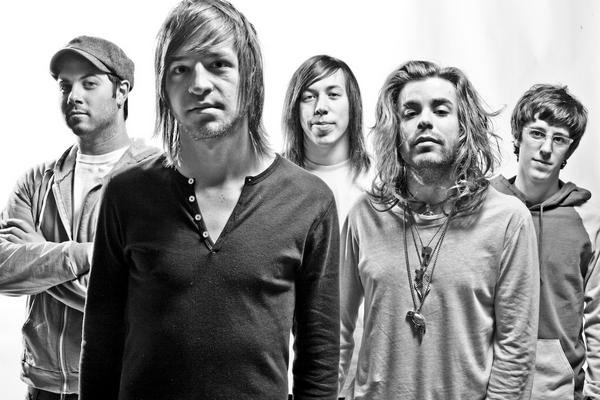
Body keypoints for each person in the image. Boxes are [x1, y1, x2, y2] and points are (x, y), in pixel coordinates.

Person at [78, 1, 340, 400]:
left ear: (250, 76)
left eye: (218, 64)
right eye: (180, 69)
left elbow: (319, 362)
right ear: (164, 89)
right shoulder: (125, 194)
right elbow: (100, 347)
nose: (198, 84)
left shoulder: (309, 201)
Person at [338, 60, 539, 399]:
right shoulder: (364, 215)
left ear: (464, 127)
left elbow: (515, 350)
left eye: (441, 110)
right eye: (410, 112)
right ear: (395, 130)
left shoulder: (507, 220)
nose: (425, 120)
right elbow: (334, 330)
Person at [0, 35, 158, 400]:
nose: (73, 96)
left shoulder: (158, 177)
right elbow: (4, 270)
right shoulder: (36, 181)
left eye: (89, 83)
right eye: (65, 86)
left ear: (121, 92)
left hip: (122, 383)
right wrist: (89, 255)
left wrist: (40, 259)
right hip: (43, 386)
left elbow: (147, 303)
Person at [492, 84, 600, 400]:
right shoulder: (484, 207)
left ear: (569, 150)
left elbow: (598, 316)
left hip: (558, 390)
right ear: (518, 137)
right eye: (537, 133)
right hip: (487, 384)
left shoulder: (587, 220)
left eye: (559, 139)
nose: (546, 149)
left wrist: (595, 392)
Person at [282, 54, 370, 398]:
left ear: (353, 105)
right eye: (309, 96)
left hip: (365, 374)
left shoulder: (380, 187)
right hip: (291, 375)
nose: (321, 107)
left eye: (333, 95)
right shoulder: (273, 185)